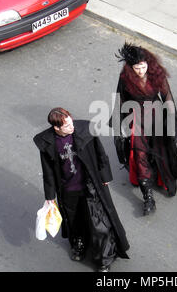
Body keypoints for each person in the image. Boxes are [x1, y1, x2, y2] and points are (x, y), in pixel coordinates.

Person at [33, 108, 129, 272]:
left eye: (71, 121)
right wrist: (50, 196)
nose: (71, 126)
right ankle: (79, 243)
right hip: (68, 189)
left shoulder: (85, 130)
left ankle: (104, 259)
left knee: (99, 222)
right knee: (74, 220)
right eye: (66, 125)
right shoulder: (48, 142)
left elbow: (100, 154)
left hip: (89, 185)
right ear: (57, 128)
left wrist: (104, 176)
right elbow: (48, 171)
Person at [110, 42, 177, 216]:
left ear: (148, 63)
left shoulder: (156, 73)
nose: (140, 71)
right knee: (140, 154)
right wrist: (119, 130)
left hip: (157, 116)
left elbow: (167, 96)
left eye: (142, 67)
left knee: (161, 149)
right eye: (136, 68)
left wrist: (173, 118)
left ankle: (163, 175)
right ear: (130, 67)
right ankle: (148, 197)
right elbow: (120, 103)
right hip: (136, 119)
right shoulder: (125, 78)